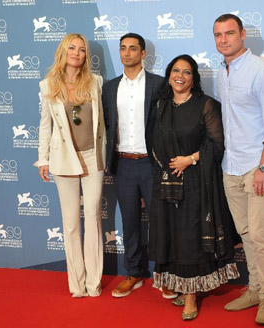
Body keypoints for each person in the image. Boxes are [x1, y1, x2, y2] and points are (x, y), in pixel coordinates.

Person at [149, 54, 240, 321]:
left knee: (190, 238)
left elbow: (217, 144)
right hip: (166, 183)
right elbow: (151, 142)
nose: (180, 76)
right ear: (168, 75)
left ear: (194, 78)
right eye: (175, 71)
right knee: (173, 236)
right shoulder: (160, 106)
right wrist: (164, 169)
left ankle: (191, 296)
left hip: (196, 183)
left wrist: (190, 159)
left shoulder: (206, 105)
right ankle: (181, 285)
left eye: (187, 72)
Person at [213, 14, 264, 325]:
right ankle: (254, 288)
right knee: (245, 233)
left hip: (258, 165)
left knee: (260, 233)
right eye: (218, 34)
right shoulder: (221, 73)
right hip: (231, 166)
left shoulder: (261, 70)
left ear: (243, 35)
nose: (223, 39)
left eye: (229, 33)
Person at [36, 33, 106, 297]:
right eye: (72, 48)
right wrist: (42, 158)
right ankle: (77, 285)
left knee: (93, 217)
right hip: (63, 158)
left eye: (82, 49)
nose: (77, 53)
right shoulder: (48, 85)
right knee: (71, 223)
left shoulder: (96, 82)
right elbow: (45, 125)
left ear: (86, 55)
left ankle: (93, 283)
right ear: (63, 52)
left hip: (92, 158)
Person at [102, 33, 163, 298]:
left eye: (133, 49)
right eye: (123, 48)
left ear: (143, 54)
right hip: (123, 163)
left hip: (151, 164)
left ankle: (166, 274)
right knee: (129, 222)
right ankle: (134, 273)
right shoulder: (109, 87)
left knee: (161, 221)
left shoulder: (159, 84)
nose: (127, 53)